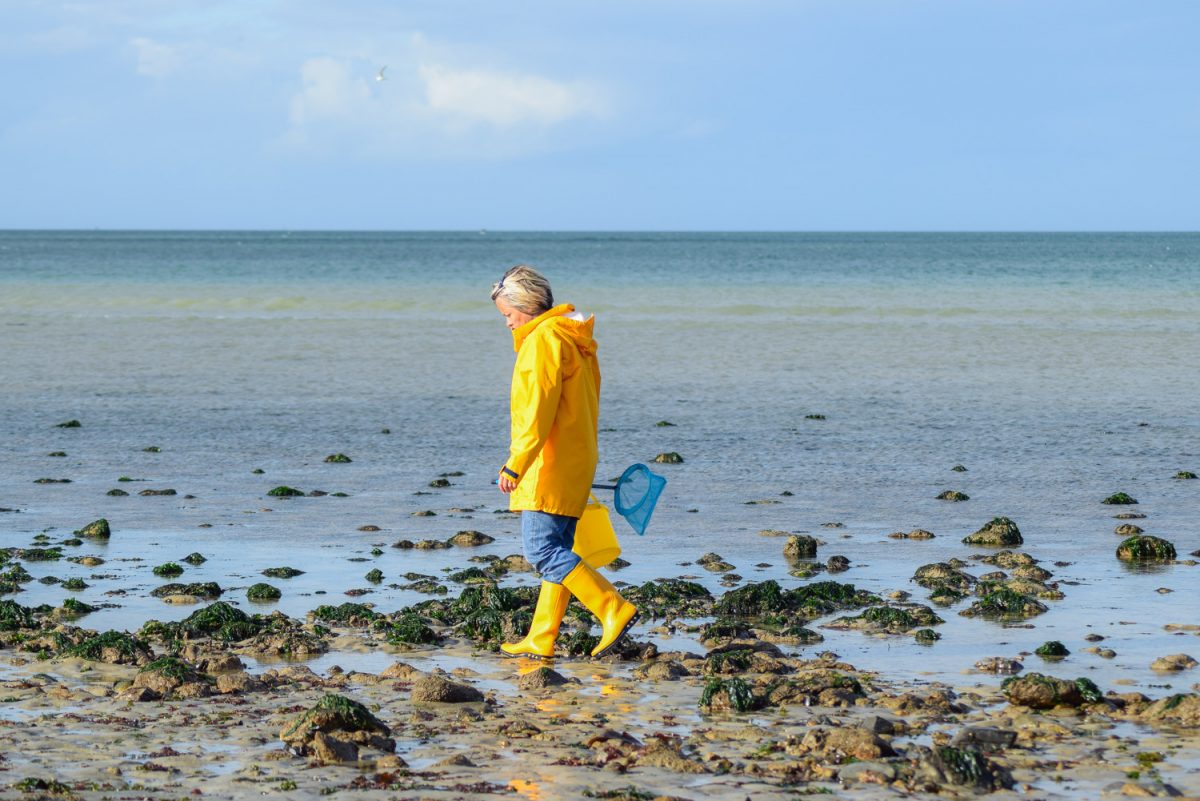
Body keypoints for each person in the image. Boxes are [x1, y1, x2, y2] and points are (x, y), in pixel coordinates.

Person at [491, 265, 638, 659]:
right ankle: (542, 635)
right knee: (557, 548)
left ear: (527, 305)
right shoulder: (573, 338)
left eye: (508, 314)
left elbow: (536, 411)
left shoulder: (542, 340)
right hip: (576, 456)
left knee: (542, 551)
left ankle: (613, 608)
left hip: (548, 462)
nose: (507, 323)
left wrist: (515, 464)